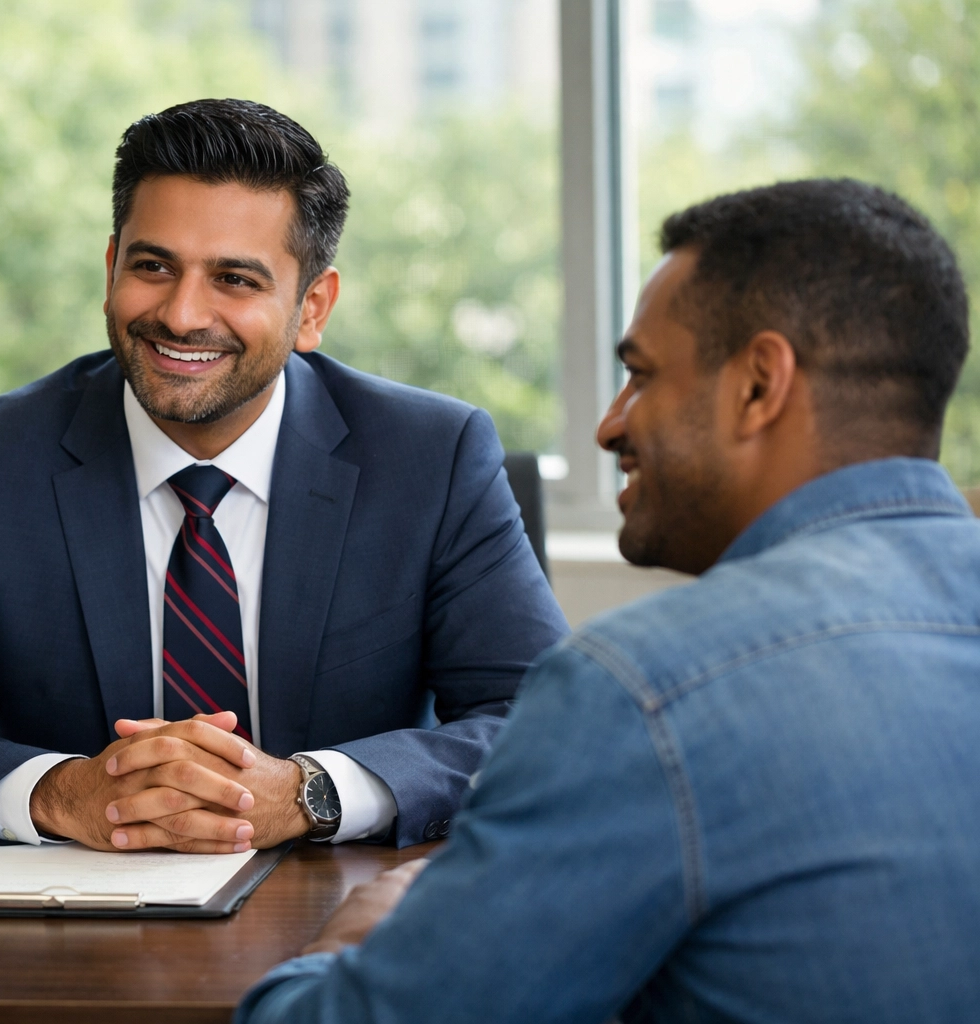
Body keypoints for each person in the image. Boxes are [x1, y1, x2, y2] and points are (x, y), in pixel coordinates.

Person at [235, 178, 980, 1023]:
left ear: (758, 387)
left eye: (641, 375)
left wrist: (349, 942)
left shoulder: (647, 691)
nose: (610, 425)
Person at [0, 98, 568, 854]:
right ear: (111, 269)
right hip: (69, 929)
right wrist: (64, 793)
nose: (180, 315)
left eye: (235, 280)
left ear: (312, 308)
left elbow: (547, 724)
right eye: (153, 267)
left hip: (349, 923)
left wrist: (316, 792)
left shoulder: (432, 459)